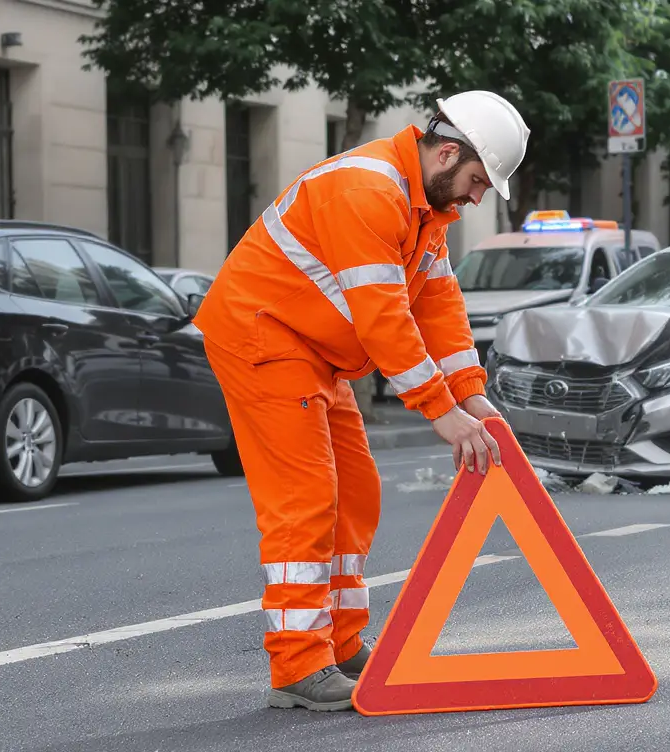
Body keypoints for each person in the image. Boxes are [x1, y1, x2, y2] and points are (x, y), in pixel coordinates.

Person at [192, 91, 530, 713]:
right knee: (306, 497)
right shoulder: (367, 191)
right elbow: (383, 318)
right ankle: (297, 665)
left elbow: (439, 310)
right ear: (447, 153)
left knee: (356, 493)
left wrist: (473, 397)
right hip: (264, 334)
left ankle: (340, 645)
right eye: (478, 181)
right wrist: (442, 412)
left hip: (311, 346)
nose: (478, 196)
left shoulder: (425, 211)